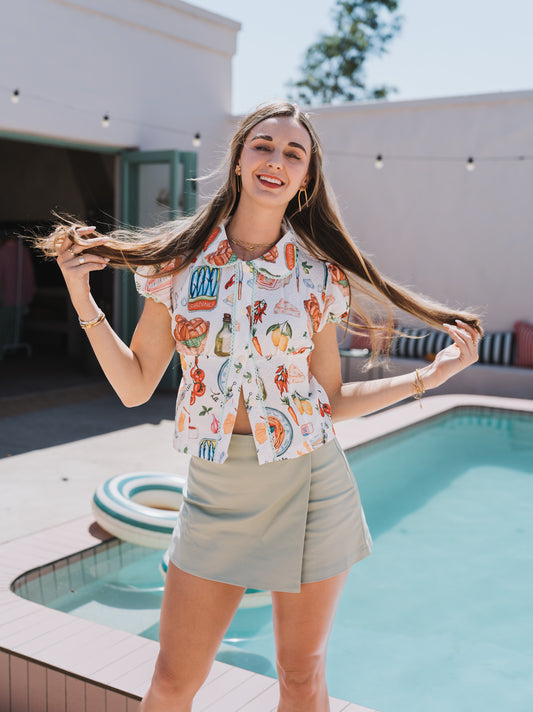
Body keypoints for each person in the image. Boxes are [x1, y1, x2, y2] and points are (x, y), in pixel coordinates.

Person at [37, 101, 481, 712]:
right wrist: (81, 294)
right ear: (241, 160)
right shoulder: (180, 263)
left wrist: (429, 378)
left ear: (305, 179)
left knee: (300, 677)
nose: (277, 160)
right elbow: (138, 383)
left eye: (293, 154)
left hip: (311, 485)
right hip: (217, 490)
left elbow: (329, 402)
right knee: (171, 683)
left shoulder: (320, 277)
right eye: (264, 146)